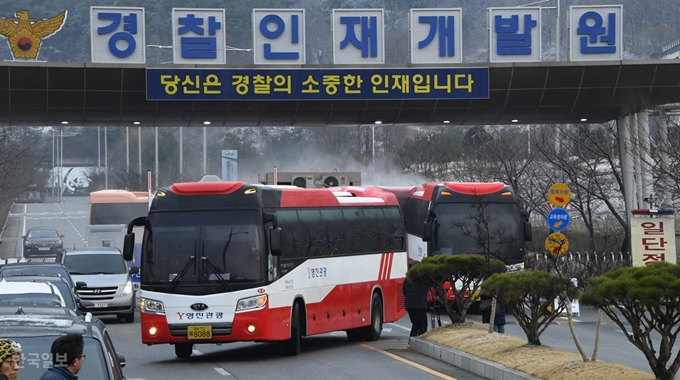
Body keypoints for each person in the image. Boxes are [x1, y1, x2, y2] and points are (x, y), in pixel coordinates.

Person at [403, 262, 429, 337]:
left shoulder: (407, 279)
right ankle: (420, 340)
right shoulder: (423, 279)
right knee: (423, 325)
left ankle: (411, 340)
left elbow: (404, 291)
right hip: (421, 305)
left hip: (410, 305)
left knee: (415, 324)